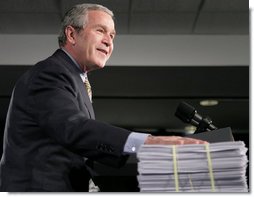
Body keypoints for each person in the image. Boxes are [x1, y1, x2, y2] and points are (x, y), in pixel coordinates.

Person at [0, 3, 207, 192]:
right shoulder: (50, 73)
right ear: (71, 35)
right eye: (100, 31)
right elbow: (73, 128)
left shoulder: (75, 79)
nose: (108, 41)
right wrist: (147, 142)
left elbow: (66, 148)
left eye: (113, 36)